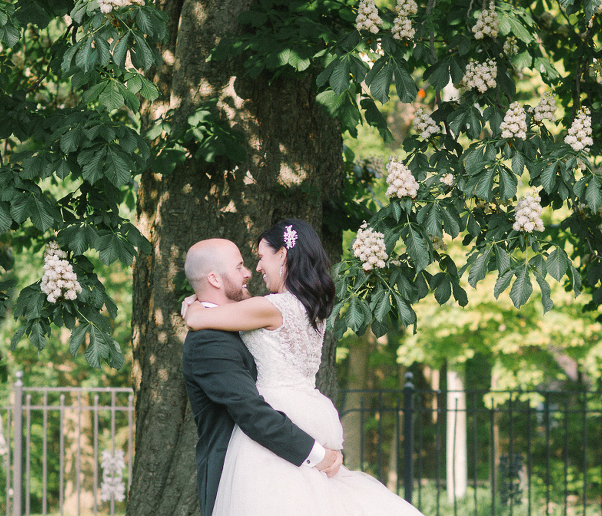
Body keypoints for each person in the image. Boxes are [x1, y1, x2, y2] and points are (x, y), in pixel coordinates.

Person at [183, 219, 422, 516]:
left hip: (281, 418)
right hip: (309, 410)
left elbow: (197, 320)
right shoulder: (308, 307)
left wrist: (192, 305)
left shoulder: (268, 307)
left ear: (282, 255)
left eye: (259, 258)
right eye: (244, 264)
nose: (255, 269)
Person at [181, 237, 343, 516]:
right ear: (215, 280)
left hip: (278, 467)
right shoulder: (209, 341)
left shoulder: (241, 325)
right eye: (240, 266)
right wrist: (317, 455)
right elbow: (251, 411)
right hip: (241, 482)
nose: (248, 273)